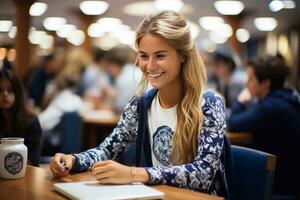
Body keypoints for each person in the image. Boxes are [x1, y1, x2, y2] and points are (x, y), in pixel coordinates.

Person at [50, 11, 228, 197]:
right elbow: (107, 150)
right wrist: (73, 160)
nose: (150, 66)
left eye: (160, 56)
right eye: (144, 56)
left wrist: (135, 174)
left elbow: (203, 173)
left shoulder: (209, 103)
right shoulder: (140, 104)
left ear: (183, 56)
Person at [227, 56, 300, 197]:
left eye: (251, 79)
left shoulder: (273, 107)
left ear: (265, 83)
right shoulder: (286, 97)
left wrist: (240, 101)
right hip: (285, 178)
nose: (247, 84)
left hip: (280, 187)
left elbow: (234, 124)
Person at [0, 69, 42, 166]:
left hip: (25, 174)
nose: (5, 94)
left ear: (18, 92)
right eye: (0, 90)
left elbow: (31, 161)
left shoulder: (31, 121)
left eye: (10, 90)